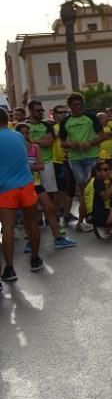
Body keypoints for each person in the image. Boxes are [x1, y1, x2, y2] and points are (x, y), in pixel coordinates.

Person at [15, 123, 76, 250]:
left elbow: (41, 166)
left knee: (50, 208)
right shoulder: (14, 149)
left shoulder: (35, 147)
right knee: (29, 215)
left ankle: (58, 237)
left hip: (36, 183)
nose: (25, 135)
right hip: (23, 184)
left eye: (27, 133)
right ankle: (30, 241)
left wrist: (26, 167)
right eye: (22, 133)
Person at [0, 108, 43, 283]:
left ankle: (10, 269)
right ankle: (35, 259)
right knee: (32, 223)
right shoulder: (18, 135)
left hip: (5, 188)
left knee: (8, 228)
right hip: (26, 185)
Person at [59, 92, 108, 232]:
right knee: (84, 191)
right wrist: (70, 144)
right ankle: (86, 219)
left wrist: (90, 143)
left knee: (93, 189)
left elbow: (102, 135)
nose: (78, 107)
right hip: (75, 159)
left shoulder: (91, 117)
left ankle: (89, 219)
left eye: (80, 104)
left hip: (92, 157)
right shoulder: (65, 121)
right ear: (70, 106)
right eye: (75, 105)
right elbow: (62, 142)